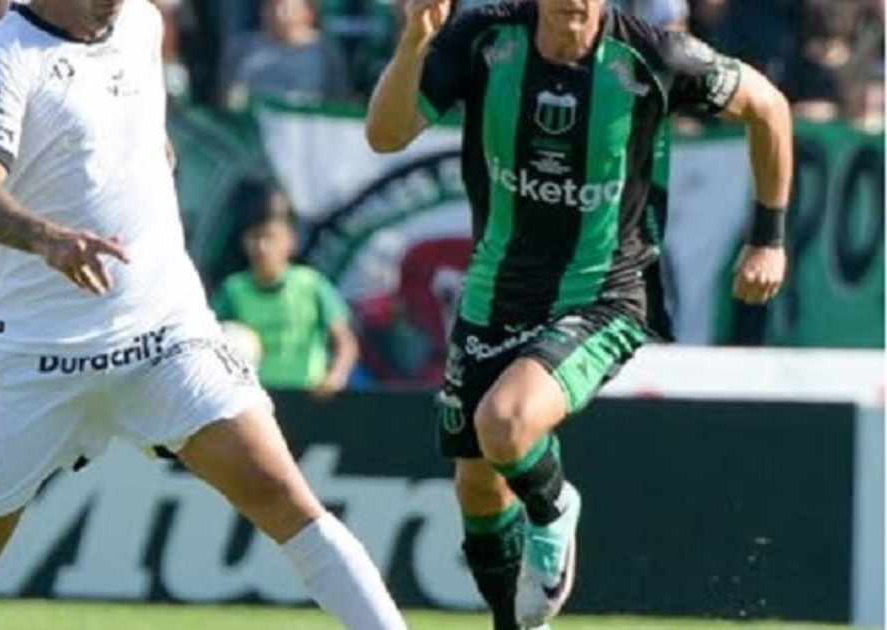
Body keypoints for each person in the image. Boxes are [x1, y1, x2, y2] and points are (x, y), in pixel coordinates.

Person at [0, 2, 406, 629]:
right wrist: (46, 238)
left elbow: (143, 134)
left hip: (164, 337)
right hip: (40, 357)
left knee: (288, 502)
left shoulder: (140, 22)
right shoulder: (4, 59)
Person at [365, 1, 791, 629]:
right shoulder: (484, 40)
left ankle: (554, 505)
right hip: (493, 290)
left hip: (603, 295)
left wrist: (768, 240)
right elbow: (385, 135)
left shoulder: (654, 56)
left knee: (505, 423)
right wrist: (412, 47)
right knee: (477, 483)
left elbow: (770, 107)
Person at [212, 180, 359, 397]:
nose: (261, 247)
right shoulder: (233, 290)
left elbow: (345, 342)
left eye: (269, 236)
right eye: (254, 237)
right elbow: (210, 341)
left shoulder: (312, 284)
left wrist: (336, 377)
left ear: (289, 240)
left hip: (308, 398)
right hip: (258, 401)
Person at [217, 0, 352, 109]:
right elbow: (228, 98)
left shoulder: (325, 52)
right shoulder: (240, 48)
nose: (278, 13)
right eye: (272, 4)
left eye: (286, 6)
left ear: (308, 12)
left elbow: (338, 102)